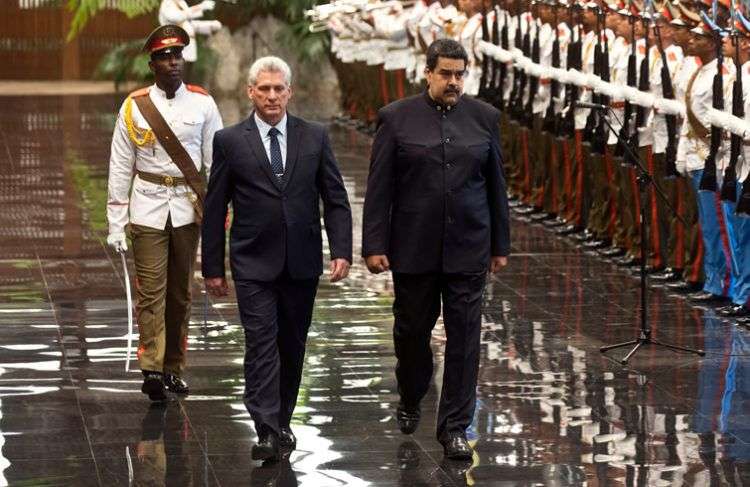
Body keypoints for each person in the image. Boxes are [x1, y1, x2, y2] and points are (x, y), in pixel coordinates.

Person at [362, 38, 511, 460]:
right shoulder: (396, 119)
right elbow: (379, 188)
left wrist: (500, 243)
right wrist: (374, 244)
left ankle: (455, 429)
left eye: (460, 74)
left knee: (465, 340)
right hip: (414, 249)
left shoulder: (484, 118)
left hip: (469, 246)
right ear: (427, 72)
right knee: (412, 335)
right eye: (445, 73)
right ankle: (411, 394)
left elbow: (497, 188)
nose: (453, 82)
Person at [201, 56, 353, 462]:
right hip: (252, 263)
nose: (271, 96)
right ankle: (266, 428)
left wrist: (341, 250)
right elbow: (215, 208)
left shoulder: (315, 137)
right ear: (250, 92)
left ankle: (282, 419)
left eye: (278, 88)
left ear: (290, 91)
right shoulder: (230, 141)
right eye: (263, 88)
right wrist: (212, 268)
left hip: (302, 262)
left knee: (292, 344)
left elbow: (335, 199)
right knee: (261, 343)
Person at [106, 25, 223, 402]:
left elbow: (216, 162)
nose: (173, 63)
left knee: (180, 295)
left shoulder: (203, 104)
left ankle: (173, 367)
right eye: (164, 57)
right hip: (147, 207)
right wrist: (116, 221)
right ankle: (152, 369)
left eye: (177, 56)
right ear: (152, 63)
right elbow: (120, 165)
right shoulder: (134, 106)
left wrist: (219, 211)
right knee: (151, 293)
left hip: (187, 210)